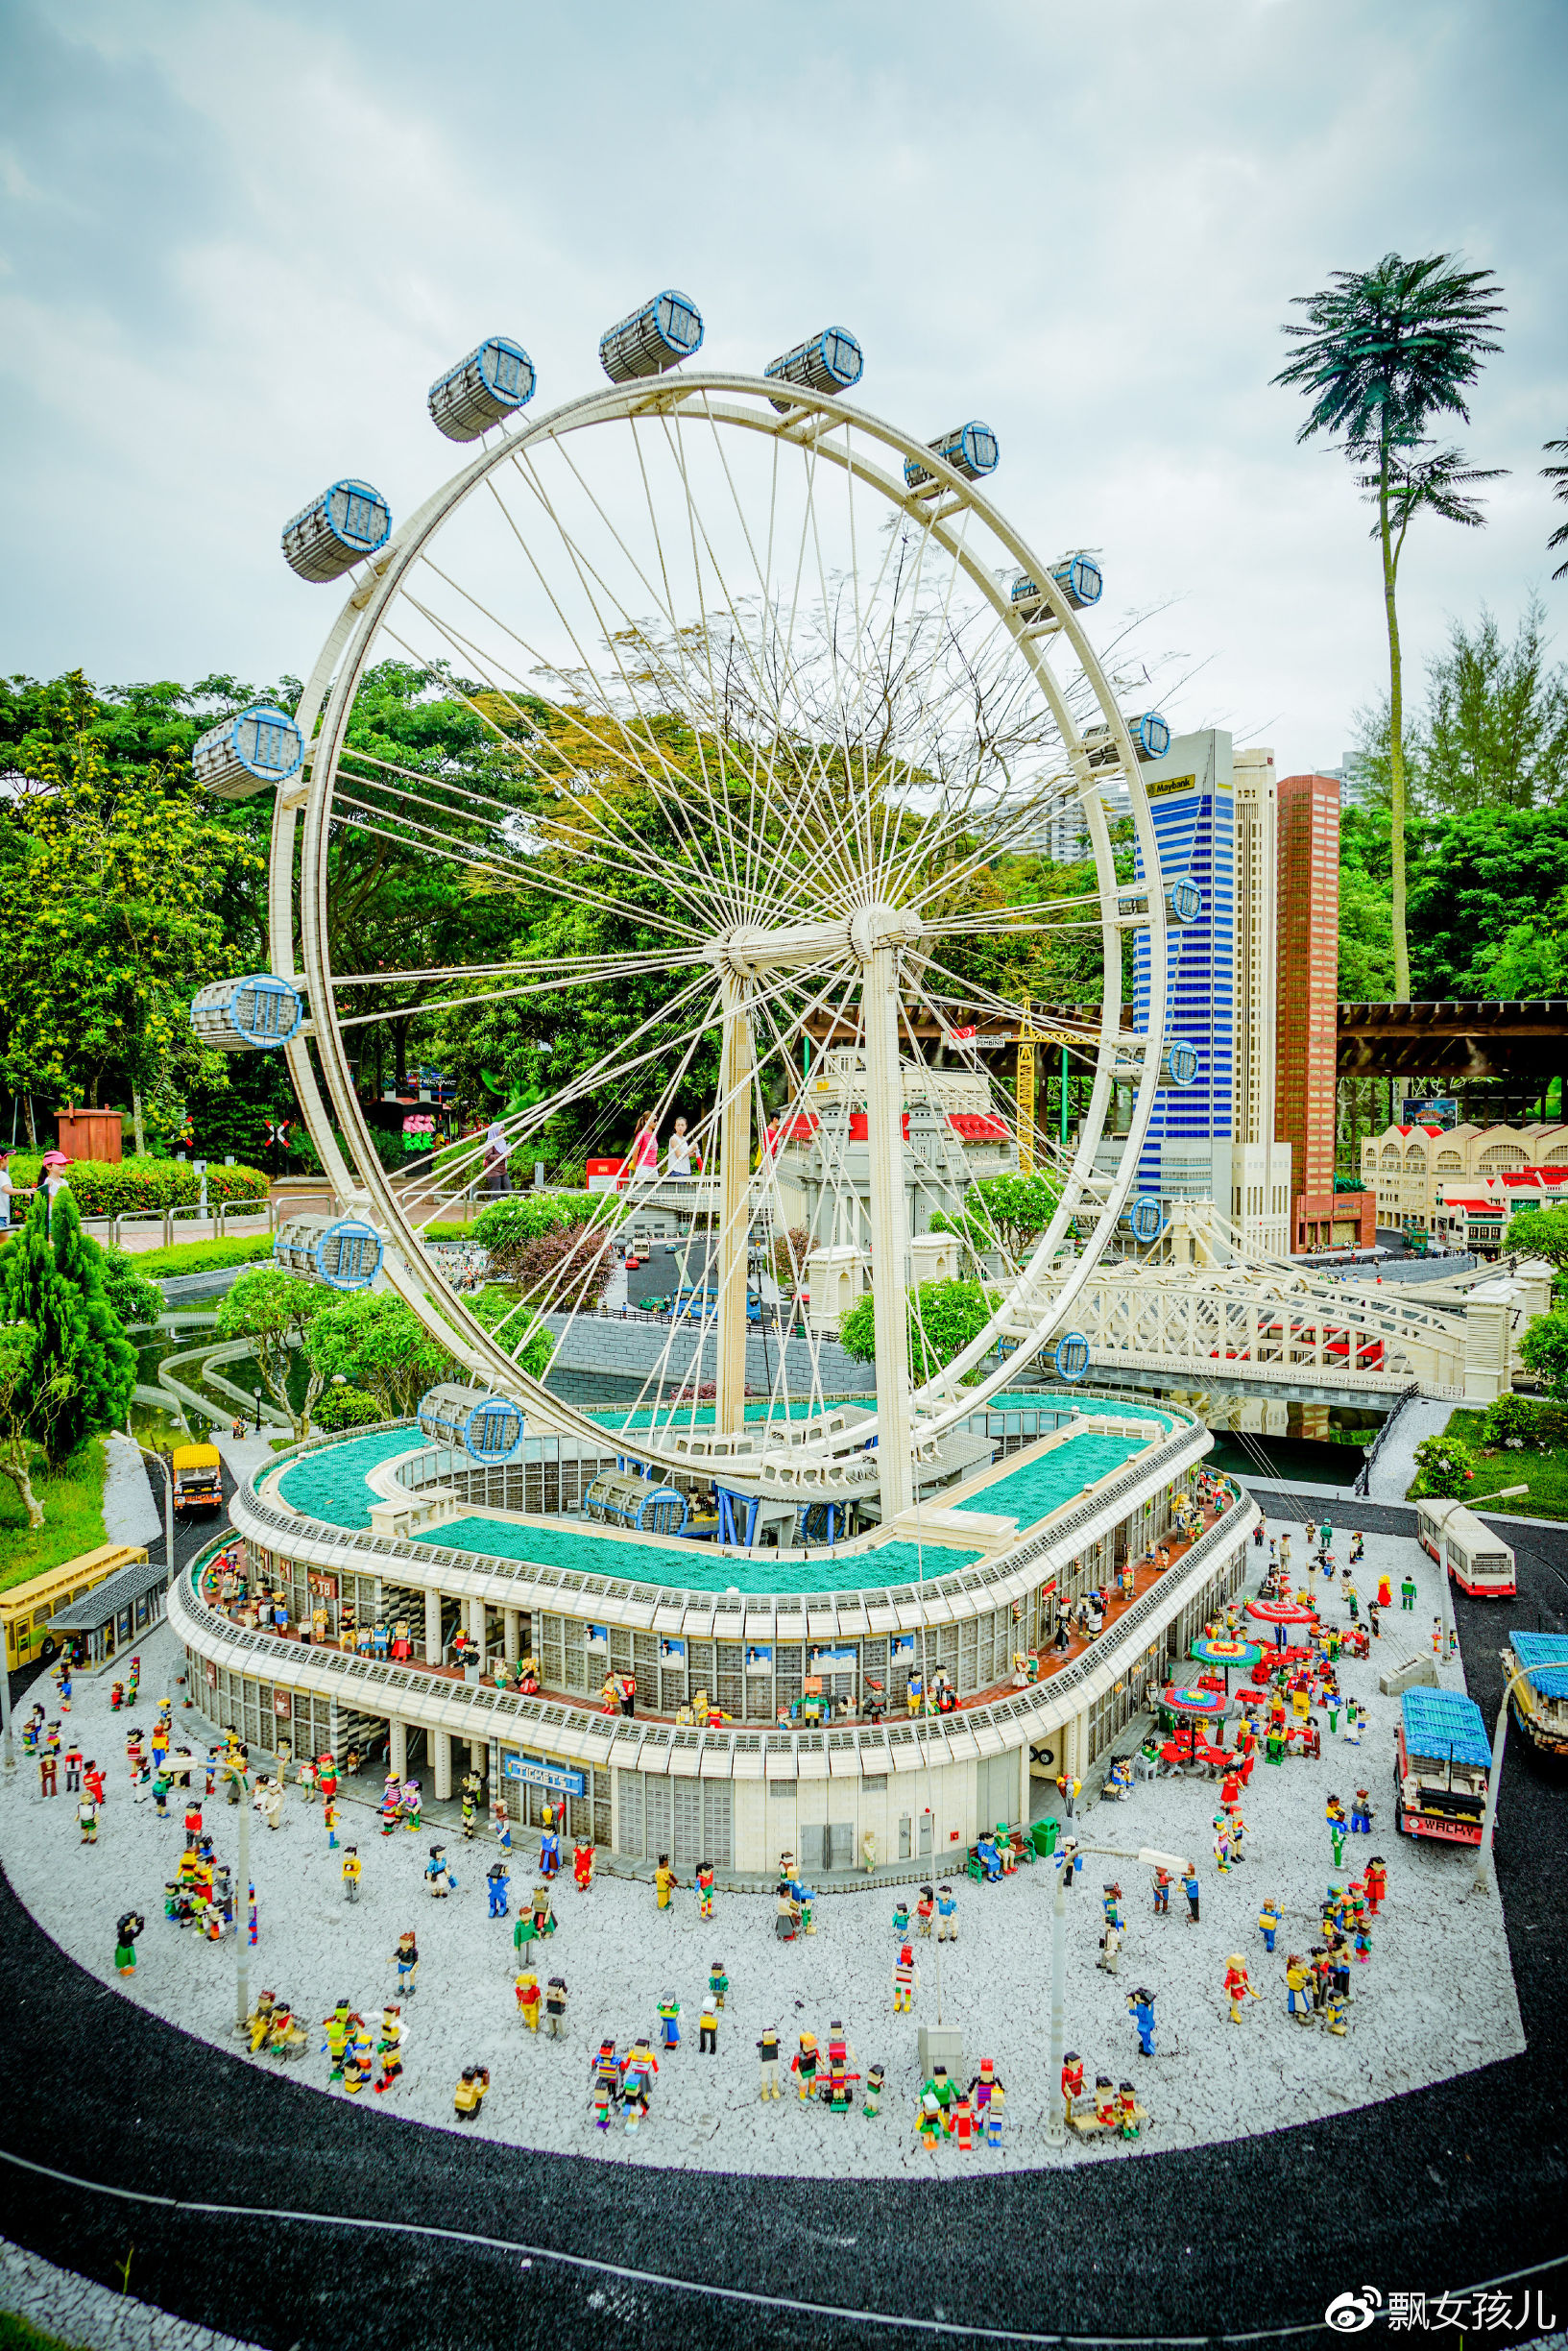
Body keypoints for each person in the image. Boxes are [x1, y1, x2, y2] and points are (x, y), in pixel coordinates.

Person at [481, 1121, 512, 1198]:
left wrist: (507, 1154)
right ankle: (491, 1208)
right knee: (496, 1194)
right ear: (495, 1130)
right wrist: (502, 1156)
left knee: (509, 1191)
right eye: (501, 1129)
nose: (502, 1131)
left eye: (503, 1129)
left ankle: (507, 1209)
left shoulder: (502, 1141)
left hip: (503, 1170)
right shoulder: (490, 1142)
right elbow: (488, 1156)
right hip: (493, 1171)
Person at [665, 1118, 698, 1182]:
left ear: (686, 1127)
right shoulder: (673, 1139)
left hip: (686, 1171)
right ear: (675, 1127)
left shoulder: (684, 1139)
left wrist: (692, 1154)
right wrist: (691, 1148)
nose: (680, 1127)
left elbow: (685, 1155)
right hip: (677, 1171)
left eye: (682, 1125)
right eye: (678, 1125)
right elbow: (679, 1156)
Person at [0, 1148, 12, 1231]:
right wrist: (25, 1191)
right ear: (3, 1159)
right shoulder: (2, 1175)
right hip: (0, 1215)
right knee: (3, 1242)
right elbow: (7, 1189)